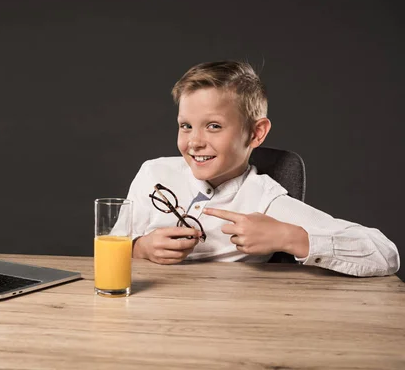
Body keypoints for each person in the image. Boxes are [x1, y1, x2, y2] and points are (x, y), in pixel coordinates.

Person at [127, 60, 399, 277]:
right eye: (186, 126)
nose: (194, 142)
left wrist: (288, 236)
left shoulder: (265, 200)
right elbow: (111, 244)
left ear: (256, 133)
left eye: (214, 126)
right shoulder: (154, 174)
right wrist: (140, 248)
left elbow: (384, 254)